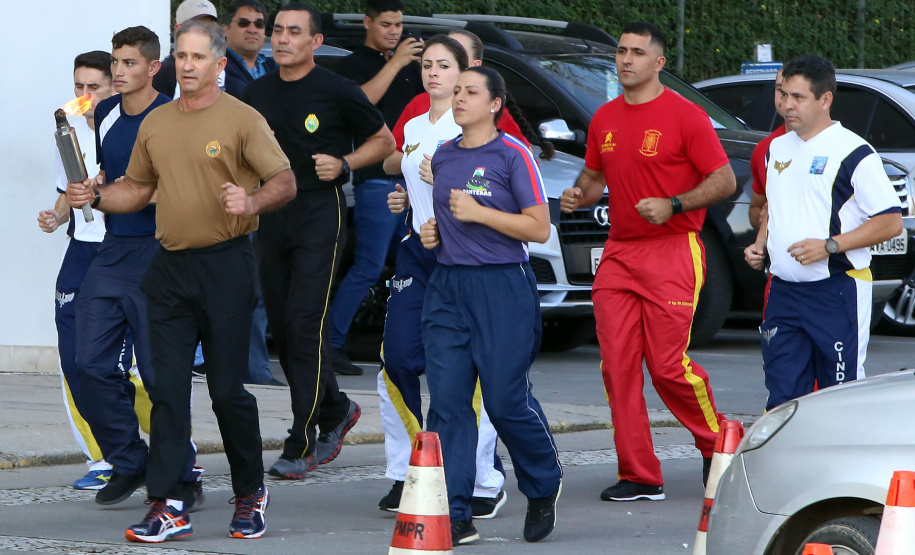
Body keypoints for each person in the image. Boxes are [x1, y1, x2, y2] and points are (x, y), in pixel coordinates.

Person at [69, 20, 295, 543]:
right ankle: (169, 502)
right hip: (168, 267)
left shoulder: (242, 118)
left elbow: (284, 181)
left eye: (198, 57)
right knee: (167, 390)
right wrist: (96, 197)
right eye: (182, 56)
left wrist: (252, 201)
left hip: (226, 265)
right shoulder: (157, 122)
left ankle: (250, 492)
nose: (188, 65)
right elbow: (136, 188)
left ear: (219, 64)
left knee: (226, 391)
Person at [559, 21, 735, 502]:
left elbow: (724, 181)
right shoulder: (604, 118)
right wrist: (578, 194)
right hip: (620, 252)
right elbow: (593, 176)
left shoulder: (686, 116)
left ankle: (718, 444)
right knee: (616, 366)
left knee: (667, 366)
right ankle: (639, 475)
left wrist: (675, 204)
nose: (626, 59)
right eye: (621, 51)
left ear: (659, 62)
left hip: (673, 249)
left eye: (637, 52)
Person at [241, 2, 393, 478]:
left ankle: (301, 440)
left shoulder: (336, 89)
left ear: (315, 41)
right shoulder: (256, 93)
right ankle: (336, 408)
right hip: (272, 216)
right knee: (285, 330)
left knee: (305, 324)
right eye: (278, 31)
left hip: (319, 214)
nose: (283, 39)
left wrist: (345, 164)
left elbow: (384, 141)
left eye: (294, 32)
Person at [418, 66, 563, 546]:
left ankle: (543, 485)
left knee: (504, 401)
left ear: (495, 104)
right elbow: (444, 220)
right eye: (457, 91)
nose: (459, 98)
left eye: (471, 92)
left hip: (502, 286)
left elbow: (538, 228)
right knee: (447, 404)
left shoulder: (512, 154)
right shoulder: (443, 154)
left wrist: (480, 213)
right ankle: (457, 514)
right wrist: (433, 233)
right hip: (447, 288)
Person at [375, 35, 505, 518]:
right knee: (396, 359)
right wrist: (406, 195)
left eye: (444, 65)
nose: (432, 72)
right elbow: (404, 170)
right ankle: (410, 469)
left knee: (471, 372)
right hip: (417, 252)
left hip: (464, 255)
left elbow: (493, 189)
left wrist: (443, 182)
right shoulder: (413, 124)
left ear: (464, 73)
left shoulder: (472, 127)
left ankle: (484, 479)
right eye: (427, 64)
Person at [743, 55, 902, 411]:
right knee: (782, 399)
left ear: (825, 99)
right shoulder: (775, 148)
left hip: (837, 290)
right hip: (784, 293)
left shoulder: (855, 152)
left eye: (798, 97)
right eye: (784, 94)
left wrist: (829, 246)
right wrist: (760, 243)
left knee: (838, 398)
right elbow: (774, 206)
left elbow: (890, 222)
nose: (787, 105)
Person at [66, 26, 176, 507]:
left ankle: (179, 474)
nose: (119, 71)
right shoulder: (106, 111)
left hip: (159, 251)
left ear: (153, 68)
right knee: (88, 364)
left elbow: (163, 186)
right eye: (116, 62)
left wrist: (105, 194)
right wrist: (89, 189)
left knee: (157, 374)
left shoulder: (170, 115)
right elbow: (111, 176)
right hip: (112, 250)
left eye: (129, 63)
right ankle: (129, 459)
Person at [38, 50, 149, 491]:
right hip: (80, 253)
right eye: (78, 87)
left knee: (123, 367)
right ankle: (103, 457)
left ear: (113, 87)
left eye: (94, 88)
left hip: (122, 251)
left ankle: (173, 448)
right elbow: (69, 191)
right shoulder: (67, 133)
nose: (84, 96)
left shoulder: (127, 128)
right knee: (74, 361)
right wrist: (57, 215)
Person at [327, 0, 424, 376]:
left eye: (398, 25)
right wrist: (396, 63)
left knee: (413, 264)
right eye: (386, 24)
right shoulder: (354, 65)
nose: (394, 32)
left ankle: (409, 345)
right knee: (368, 266)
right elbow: (361, 102)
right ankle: (332, 345)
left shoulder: (411, 65)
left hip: (412, 178)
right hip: (376, 180)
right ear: (367, 23)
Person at [391, 30, 538, 155]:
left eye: (457, 52)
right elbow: (394, 155)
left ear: (474, 65)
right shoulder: (419, 103)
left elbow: (522, 163)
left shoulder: (490, 109)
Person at [153, 0, 221, 99]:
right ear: (178, 29)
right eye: (196, 26)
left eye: (210, 26)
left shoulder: (224, 67)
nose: (204, 32)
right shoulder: (164, 73)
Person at [747, 67, 787, 231]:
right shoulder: (765, 148)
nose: (786, 99)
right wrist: (763, 218)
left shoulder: (846, 148)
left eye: (796, 94)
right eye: (780, 90)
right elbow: (756, 208)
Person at [222, 0, 276, 97]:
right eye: (243, 23)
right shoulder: (217, 69)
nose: (252, 30)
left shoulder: (276, 67)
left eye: (259, 24)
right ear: (225, 29)